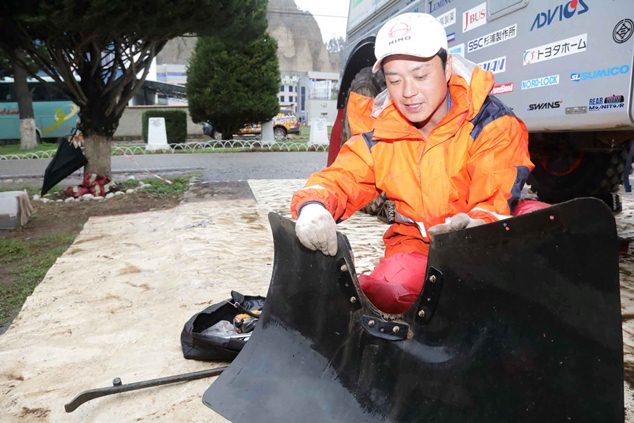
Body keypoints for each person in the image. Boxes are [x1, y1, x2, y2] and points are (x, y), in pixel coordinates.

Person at [291, 12, 543, 314]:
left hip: (489, 243)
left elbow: (494, 196)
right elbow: (340, 177)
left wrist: (479, 227)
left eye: (421, 76)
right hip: (416, 245)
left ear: (447, 68)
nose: (408, 92)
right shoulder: (381, 133)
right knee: (384, 294)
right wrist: (313, 206)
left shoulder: (491, 123)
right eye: (394, 80)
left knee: (543, 227)